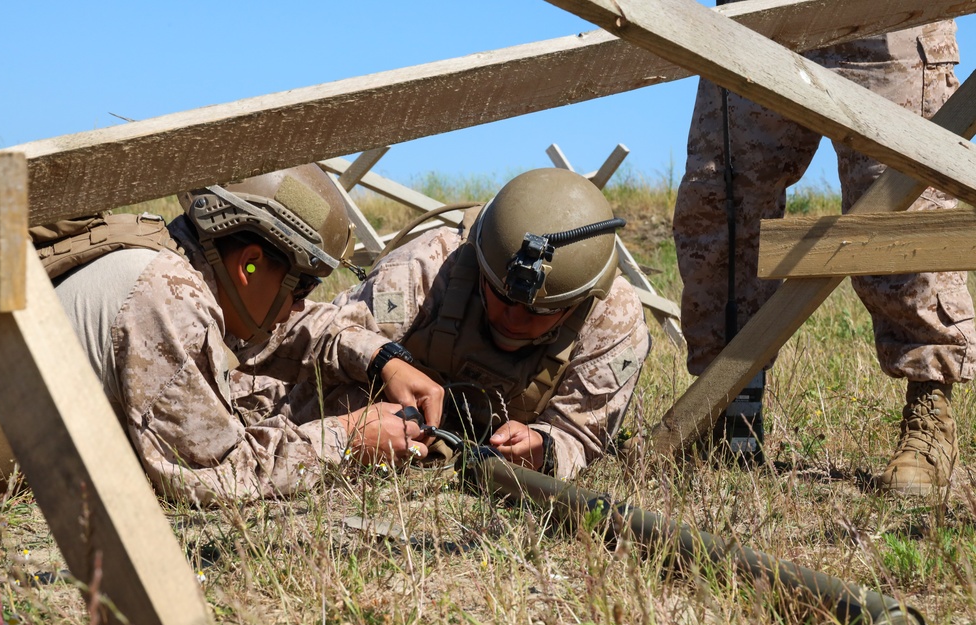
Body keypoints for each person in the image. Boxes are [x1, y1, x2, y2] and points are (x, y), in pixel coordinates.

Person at [672, 15, 975, 495]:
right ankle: (725, 406)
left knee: (903, 206)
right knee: (719, 203)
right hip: (764, 16)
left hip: (887, 18)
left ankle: (929, 412)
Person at [50, 164, 444, 504]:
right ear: (249, 265)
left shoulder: (175, 265)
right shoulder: (170, 298)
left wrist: (381, 358)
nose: (299, 305)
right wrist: (347, 440)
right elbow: (218, 474)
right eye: (301, 287)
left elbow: (285, 329)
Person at [335, 168, 651, 480]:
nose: (514, 318)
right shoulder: (431, 263)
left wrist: (545, 447)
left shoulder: (614, 319)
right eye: (502, 295)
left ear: (579, 301)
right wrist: (385, 364)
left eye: (541, 311)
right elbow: (333, 336)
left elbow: (581, 436)